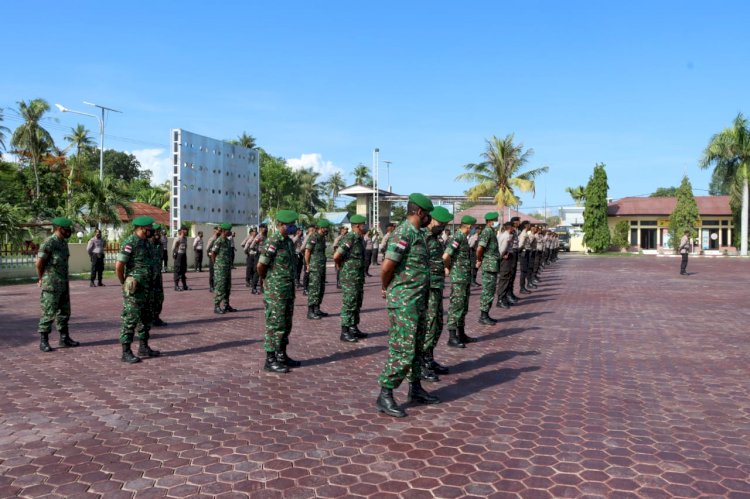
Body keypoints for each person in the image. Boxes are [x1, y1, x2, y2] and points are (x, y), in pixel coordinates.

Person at [376, 193, 439, 418]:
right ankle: (385, 394)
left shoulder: (418, 234)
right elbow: (387, 267)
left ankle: (415, 389)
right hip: (404, 301)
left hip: (417, 300)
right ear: (419, 212)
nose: (430, 219)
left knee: (417, 347)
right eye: (428, 214)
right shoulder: (403, 233)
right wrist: (387, 288)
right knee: (403, 348)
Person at [257, 210, 300, 373]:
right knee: (274, 324)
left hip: (287, 289)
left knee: (286, 323)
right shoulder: (273, 241)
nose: (293, 227)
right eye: (290, 225)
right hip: (275, 290)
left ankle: (282, 355)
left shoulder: (288, 242)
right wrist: (266, 281)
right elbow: (261, 265)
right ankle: (270, 359)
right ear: (282, 225)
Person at [116, 216, 160, 363]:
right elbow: (119, 266)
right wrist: (124, 282)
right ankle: (126, 351)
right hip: (135, 289)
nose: (152, 231)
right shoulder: (130, 242)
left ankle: (143, 347)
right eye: (149, 229)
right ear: (141, 228)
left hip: (147, 287)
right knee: (130, 319)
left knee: (146, 318)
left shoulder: (147, 243)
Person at [36, 217, 79, 352]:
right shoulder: (49, 243)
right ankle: (44, 341)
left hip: (63, 283)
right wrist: (41, 277)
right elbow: (39, 263)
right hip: (51, 284)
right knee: (49, 313)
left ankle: (64, 338)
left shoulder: (63, 243)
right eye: (67, 229)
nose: (69, 231)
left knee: (64, 312)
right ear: (59, 229)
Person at [421, 206, 452, 382]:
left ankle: (429, 358)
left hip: (437, 286)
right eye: (441, 223)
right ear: (431, 220)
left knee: (437, 324)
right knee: (429, 325)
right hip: (427, 288)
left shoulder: (435, 238)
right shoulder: (423, 237)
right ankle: (422, 363)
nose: (443, 226)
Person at [444, 215, 476, 348]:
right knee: (456, 306)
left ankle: (461, 333)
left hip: (464, 277)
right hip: (458, 278)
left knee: (463, 306)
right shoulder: (457, 237)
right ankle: (452, 337)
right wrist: (447, 268)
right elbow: (446, 255)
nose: (474, 229)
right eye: (473, 227)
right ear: (468, 227)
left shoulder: (463, 238)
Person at [335, 215, 367, 342]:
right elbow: (337, 255)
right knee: (349, 303)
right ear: (357, 226)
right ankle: (345, 331)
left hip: (357, 277)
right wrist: (340, 267)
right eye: (363, 224)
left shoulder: (359, 239)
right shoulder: (350, 238)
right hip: (350, 277)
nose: (365, 226)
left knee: (357, 302)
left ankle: (353, 327)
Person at [476, 212, 500, 326]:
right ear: (490, 221)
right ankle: (483, 316)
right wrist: (480, 259)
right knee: (488, 291)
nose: (497, 222)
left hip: (492, 265)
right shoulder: (487, 231)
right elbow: (480, 248)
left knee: (490, 290)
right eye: (495, 220)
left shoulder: (491, 231)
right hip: (489, 265)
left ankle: (486, 314)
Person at [305, 220, 330, 320]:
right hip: (315, 266)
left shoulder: (322, 238)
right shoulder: (314, 237)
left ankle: (317, 308)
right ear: (321, 228)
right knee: (314, 288)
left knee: (321, 287)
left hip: (321, 266)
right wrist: (308, 264)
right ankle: (310, 311)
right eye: (326, 228)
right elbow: (307, 251)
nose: (327, 230)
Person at [210, 223, 237, 314]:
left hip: (227, 268)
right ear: (224, 231)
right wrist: (216, 265)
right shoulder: (219, 241)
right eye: (229, 230)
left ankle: (226, 305)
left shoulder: (228, 241)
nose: (230, 232)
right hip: (220, 269)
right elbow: (213, 253)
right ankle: (216, 306)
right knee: (220, 287)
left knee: (227, 287)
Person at [150, 224, 167, 327]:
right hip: (149, 276)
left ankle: (156, 317)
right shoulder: (147, 244)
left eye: (159, 232)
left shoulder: (160, 244)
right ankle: (148, 319)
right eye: (156, 231)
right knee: (149, 299)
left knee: (159, 297)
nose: (157, 233)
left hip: (157, 276)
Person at [495, 222, 514, 309]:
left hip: (505, 258)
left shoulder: (503, 235)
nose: (513, 229)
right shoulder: (506, 236)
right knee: (504, 279)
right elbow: (502, 249)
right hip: (505, 260)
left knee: (506, 279)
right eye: (513, 227)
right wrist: (503, 255)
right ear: (510, 228)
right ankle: (500, 300)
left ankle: (504, 298)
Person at [251, 223, 268, 294]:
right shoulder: (259, 236)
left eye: (266, 227)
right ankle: (253, 288)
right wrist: (257, 251)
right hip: (259, 256)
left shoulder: (265, 236)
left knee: (263, 272)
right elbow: (252, 246)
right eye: (265, 227)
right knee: (257, 272)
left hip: (264, 256)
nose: (266, 229)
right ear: (261, 228)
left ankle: (262, 288)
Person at [172, 226, 189, 291]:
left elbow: (185, 247)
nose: (187, 231)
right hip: (178, 255)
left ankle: (184, 285)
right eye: (185, 230)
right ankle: (176, 286)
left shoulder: (185, 238)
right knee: (177, 270)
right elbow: (173, 248)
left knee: (183, 270)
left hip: (184, 255)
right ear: (182, 231)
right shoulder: (177, 239)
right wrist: (175, 255)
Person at [517, 221, 532, 294]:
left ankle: (523, 287)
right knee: (523, 271)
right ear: (526, 226)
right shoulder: (523, 234)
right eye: (529, 225)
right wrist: (520, 252)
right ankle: (522, 288)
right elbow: (520, 244)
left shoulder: (525, 233)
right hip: (524, 253)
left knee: (525, 271)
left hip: (526, 253)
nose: (530, 226)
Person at [206, 226, 221, 292]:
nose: (220, 231)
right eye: (218, 230)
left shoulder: (219, 238)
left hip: (218, 257)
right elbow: (207, 248)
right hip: (212, 257)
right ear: (215, 230)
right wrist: (209, 254)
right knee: (212, 272)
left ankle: (216, 286)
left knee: (217, 272)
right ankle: (211, 286)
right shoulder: (212, 239)